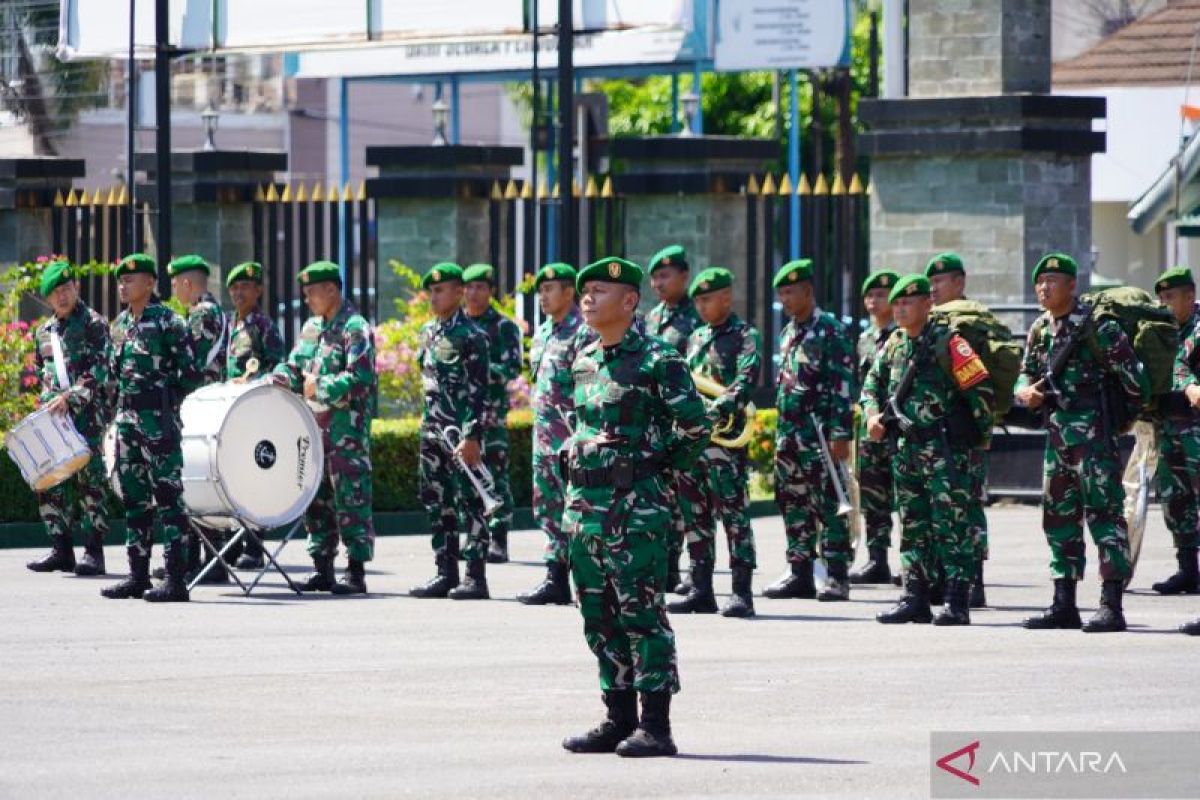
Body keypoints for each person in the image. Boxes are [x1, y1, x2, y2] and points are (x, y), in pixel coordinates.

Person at [560, 256, 710, 758]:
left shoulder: (658, 359)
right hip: (584, 511)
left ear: (628, 301)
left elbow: (694, 428)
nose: (587, 299)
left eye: (599, 291)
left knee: (642, 616)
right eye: (585, 292)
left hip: (636, 512)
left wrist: (650, 471)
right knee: (597, 615)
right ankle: (617, 717)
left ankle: (656, 725)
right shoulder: (583, 360)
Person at [1015, 253, 1150, 633]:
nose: (1044, 288)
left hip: (1094, 437)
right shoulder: (1040, 329)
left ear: (1072, 285)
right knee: (1058, 518)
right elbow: (1025, 372)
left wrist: (1120, 421)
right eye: (1040, 282)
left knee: (1104, 515)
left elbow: (1135, 380)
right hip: (1057, 436)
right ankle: (1064, 603)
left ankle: (1111, 604)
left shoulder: (1098, 326)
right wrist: (1024, 392)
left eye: (1053, 281)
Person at [861, 274, 994, 626]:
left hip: (946, 450)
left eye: (908, 302)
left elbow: (980, 393)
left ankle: (956, 599)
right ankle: (914, 596)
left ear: (927, 304)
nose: (900, 308)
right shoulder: (893, 344)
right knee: (913, 524)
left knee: (952, 524)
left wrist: (973, 444)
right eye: (898, 302)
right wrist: (872, 416)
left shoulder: (950, 343)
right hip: (906, 450)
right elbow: (871, 384)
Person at [271, 260, 377, 595]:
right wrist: (278, 376)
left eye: (311, 292)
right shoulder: (311, 328)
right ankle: (323, 568)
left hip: (346, 432)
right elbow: (295, 364)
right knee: (315, 499)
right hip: (312, 430)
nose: (307, 299)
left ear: (331, 289)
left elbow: (360, 378)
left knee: (350, 499)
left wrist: (321, 387)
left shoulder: (355, 327)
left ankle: (355, 571)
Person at [101, 253, 201, 602]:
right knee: (134, 501)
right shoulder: (120, 325)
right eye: (121, 281)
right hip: (127, 423)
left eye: (130, 280)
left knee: (169, 500)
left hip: (158, 424)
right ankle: (138, 575)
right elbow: (112, 375)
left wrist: (163, 397)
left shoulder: (169, 323)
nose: (123, 286)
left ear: (150, 284)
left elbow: (191, 374)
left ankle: (175, 579)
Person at [670, 267, 762, 618]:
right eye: (698, 301)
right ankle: (701, 588)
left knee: (734, 516)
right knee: (694, 516)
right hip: (695, 441)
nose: (702, 306)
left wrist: (716, 408)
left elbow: (746, 378)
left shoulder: (744, 335)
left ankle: (741, 592)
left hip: (726, 441)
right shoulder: (696, 337)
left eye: (708, 299)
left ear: (726, 297)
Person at [765, 259, 855, 602]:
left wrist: (840, 433)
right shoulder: (789, 332)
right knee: (792, 503)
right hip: (790, 434)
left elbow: (843, 385)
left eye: (791, 291)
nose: (785, 299)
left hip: (819, 434)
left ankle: (836, 575)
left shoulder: (831, 330)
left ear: (808, 291)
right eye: (781, 293)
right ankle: (800, 571)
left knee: (829, 502)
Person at [409, 263, 493, 600]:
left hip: (461, 435)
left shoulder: (471, 336)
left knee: (471, 502)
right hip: (432, 432)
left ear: (459, 293)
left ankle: (475, 576)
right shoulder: (429, 331)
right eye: (432, 290)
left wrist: (472, 435)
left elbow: (479, 390)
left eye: (441, 289)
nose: (434, 295)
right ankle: (445, 571)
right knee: (437, 502)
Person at [25, 260, 114, 577]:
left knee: (90, 483)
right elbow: (41, 374)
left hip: (87, 414)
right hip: (54, 419)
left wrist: (71, 397)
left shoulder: (94, 323)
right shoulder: (44, 333)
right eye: (55, 292)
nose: (62, 296)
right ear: (48, 299)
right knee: (49, 480)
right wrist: (47, 403)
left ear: (76, 288)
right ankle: (61, 549)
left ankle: (94, 551)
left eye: (66, 288)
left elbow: (101, 370)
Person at [518, 262, 594, 606]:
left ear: (568, 292)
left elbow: (589, 389)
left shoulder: (584, 332)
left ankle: (586, 580)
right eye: (540, 291)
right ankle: (555, 577)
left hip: (571, 438)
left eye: (550, 290)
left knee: (577, 508)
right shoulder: (544, 332)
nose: (543, 297)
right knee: (547, 507)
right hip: (544, 438)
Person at [926, 252, 991, 607]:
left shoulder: (972, 322)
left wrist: (979, 430)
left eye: (940, 281)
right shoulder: (930, 322)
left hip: (965, 433)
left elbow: (980, 382)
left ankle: (974, 580)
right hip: (935, 435)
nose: (934, 288)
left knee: (969, 504)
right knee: (940, 507)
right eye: (931, 283)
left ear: (960, 282)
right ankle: (943, 578)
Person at [166, 254, 232, 583]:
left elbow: (188, 362)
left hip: (198, 405)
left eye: (175, 283)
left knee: (191, 481)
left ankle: (206, 561)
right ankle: (199, 559)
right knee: (192, 482)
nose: (174, 289)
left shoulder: (203, 313)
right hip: (201, 405)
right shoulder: (205, 311)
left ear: (187, 283)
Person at [644, 244, 701, 594]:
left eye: (665, 276)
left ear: (684, 276)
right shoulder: (651, 318)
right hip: (657, 421)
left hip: (685, 418)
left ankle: (694, 572)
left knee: (687, 500)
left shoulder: (698, 318)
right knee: (660, 497)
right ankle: (666, 569)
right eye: (654, 278)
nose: (658, 284)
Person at [223, 260, 287, 570]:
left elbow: (278, 369)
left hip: (256, 413)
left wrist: (255, 382)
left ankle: (254, 545)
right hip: (232, 413)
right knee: (232, 479)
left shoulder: (264, 326)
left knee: (253, 478)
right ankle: (233, 544)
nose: (238, 292)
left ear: (258, 290)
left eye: (245, 287)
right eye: (234, 288)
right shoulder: (230, 326)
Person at [461, 263, 523, 564]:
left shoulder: (503, 326)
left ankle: (499, 538)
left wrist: (478, 368)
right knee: (466, 478)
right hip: (461, 415)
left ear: (491, 291)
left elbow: (511, 368)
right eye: (469, 287)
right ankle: (474, 537)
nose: (473, 293)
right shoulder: (458, 326)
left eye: (480, 287)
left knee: (495, 473)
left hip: (491, 413)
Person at [1150, 266, 1200, 596]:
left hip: (1196, 426)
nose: (1165, 304)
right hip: (1169, 426)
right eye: (1162, 298)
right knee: (1175, 499)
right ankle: (1187, 570)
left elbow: (1182, 369)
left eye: (1171, 297)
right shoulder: (1163, 332)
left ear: (1190, 296)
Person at [849, 269, 900, 585]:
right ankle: (877, 558)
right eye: (869, 295)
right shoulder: (864, 340)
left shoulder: (904, 334)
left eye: (881, 295)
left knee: (908, 496)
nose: (873, 301)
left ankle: (915, 562)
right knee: (873, 495)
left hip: (900, 427)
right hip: (871, 428)